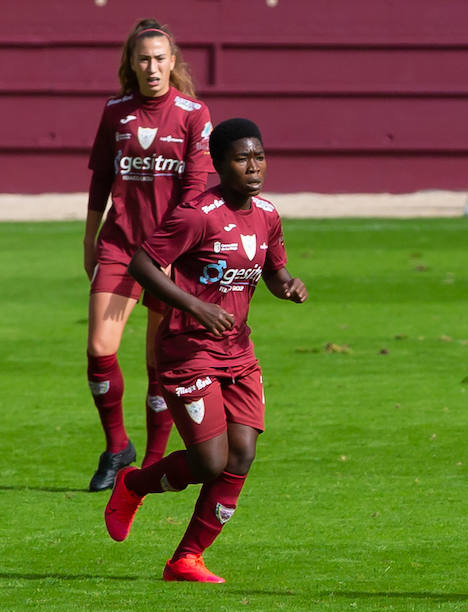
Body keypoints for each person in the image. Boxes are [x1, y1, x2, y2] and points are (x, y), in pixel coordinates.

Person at [103, 118, 307, 583]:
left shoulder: (269, 214)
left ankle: (185, 559)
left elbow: (274, 271)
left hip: (238, 352)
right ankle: (133, 483)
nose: (253, 166)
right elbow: (142, 263)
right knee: (209, 462)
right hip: (187, 349)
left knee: (241, 457)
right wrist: (196, 306)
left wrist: (288, 286)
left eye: (258, 156)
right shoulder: (197, 213)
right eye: (241, 158)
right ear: (218, 164)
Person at [83, 18, 213, 491]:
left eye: (160, 58)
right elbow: (101, 176)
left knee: (159, 362)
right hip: (119, 245)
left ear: (172, 63)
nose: (152, 66)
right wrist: (88, 236)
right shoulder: (116, 111)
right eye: (144, 58)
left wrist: (177, 251)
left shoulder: (193, 113)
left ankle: (149, 462)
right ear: (132, 65)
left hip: (171, 254)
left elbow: (196, 191)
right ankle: (117, 447)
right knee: (100, 349)